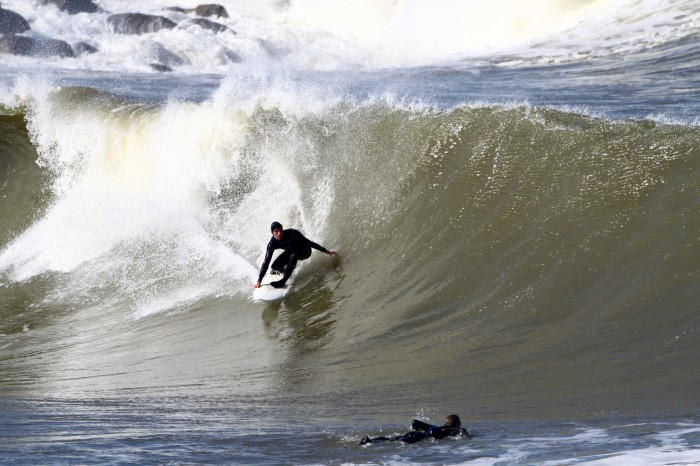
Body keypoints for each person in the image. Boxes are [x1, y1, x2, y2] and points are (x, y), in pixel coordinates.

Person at [254, 221, 337, 289]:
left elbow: (309, 243)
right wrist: (259, 281)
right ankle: (288, 271)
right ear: (272, 233)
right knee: (274, 267)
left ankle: (283, 281)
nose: (279, 233)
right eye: (276, 231)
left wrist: (325, 251)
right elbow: (266, 262)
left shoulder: (293, 233)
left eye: (280, 230)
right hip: (292, 251)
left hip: (305, 251)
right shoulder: (272, 244)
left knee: (294, 254)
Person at [359, 415, 472, 445]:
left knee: (392, 439)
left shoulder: (434, 426)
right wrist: (466, 434)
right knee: (397, 442)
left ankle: (370, 440)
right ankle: (371, 442)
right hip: (421, 437)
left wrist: (416, 428)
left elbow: (415, 422)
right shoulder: (452, 430)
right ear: (457, 424)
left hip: (415, 433)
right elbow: (458, 432)